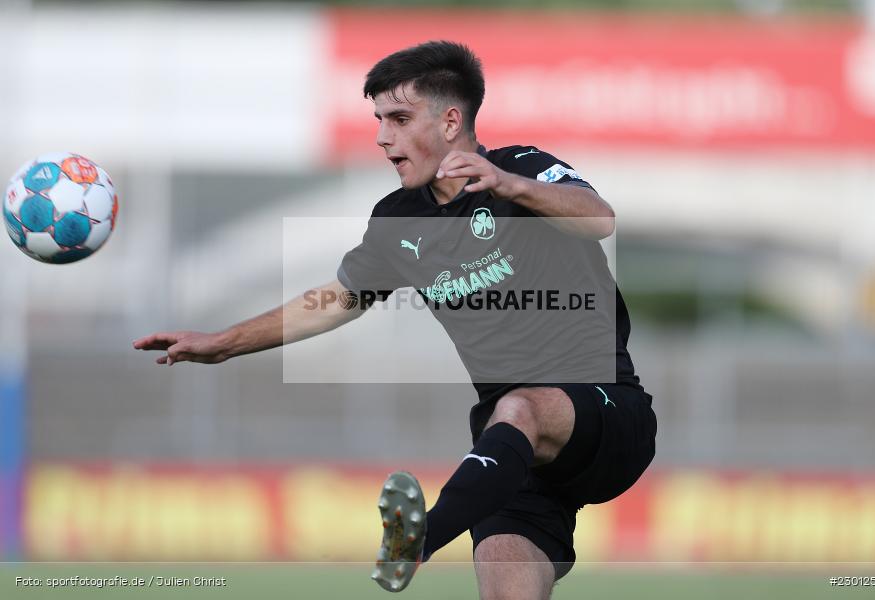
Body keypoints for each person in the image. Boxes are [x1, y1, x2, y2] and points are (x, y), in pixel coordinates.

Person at [134, 41, 656, 600]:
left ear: (450, 121)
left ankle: (419, 538)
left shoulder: (522, 168)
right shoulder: (397, 220)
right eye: (379, 120)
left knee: (520, 406)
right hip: (508, 457)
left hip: (607, 411)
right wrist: (224, 343)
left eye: (399, 119)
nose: (383, 137)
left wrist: (511, 187)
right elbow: (335, 300)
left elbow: (599, 219)